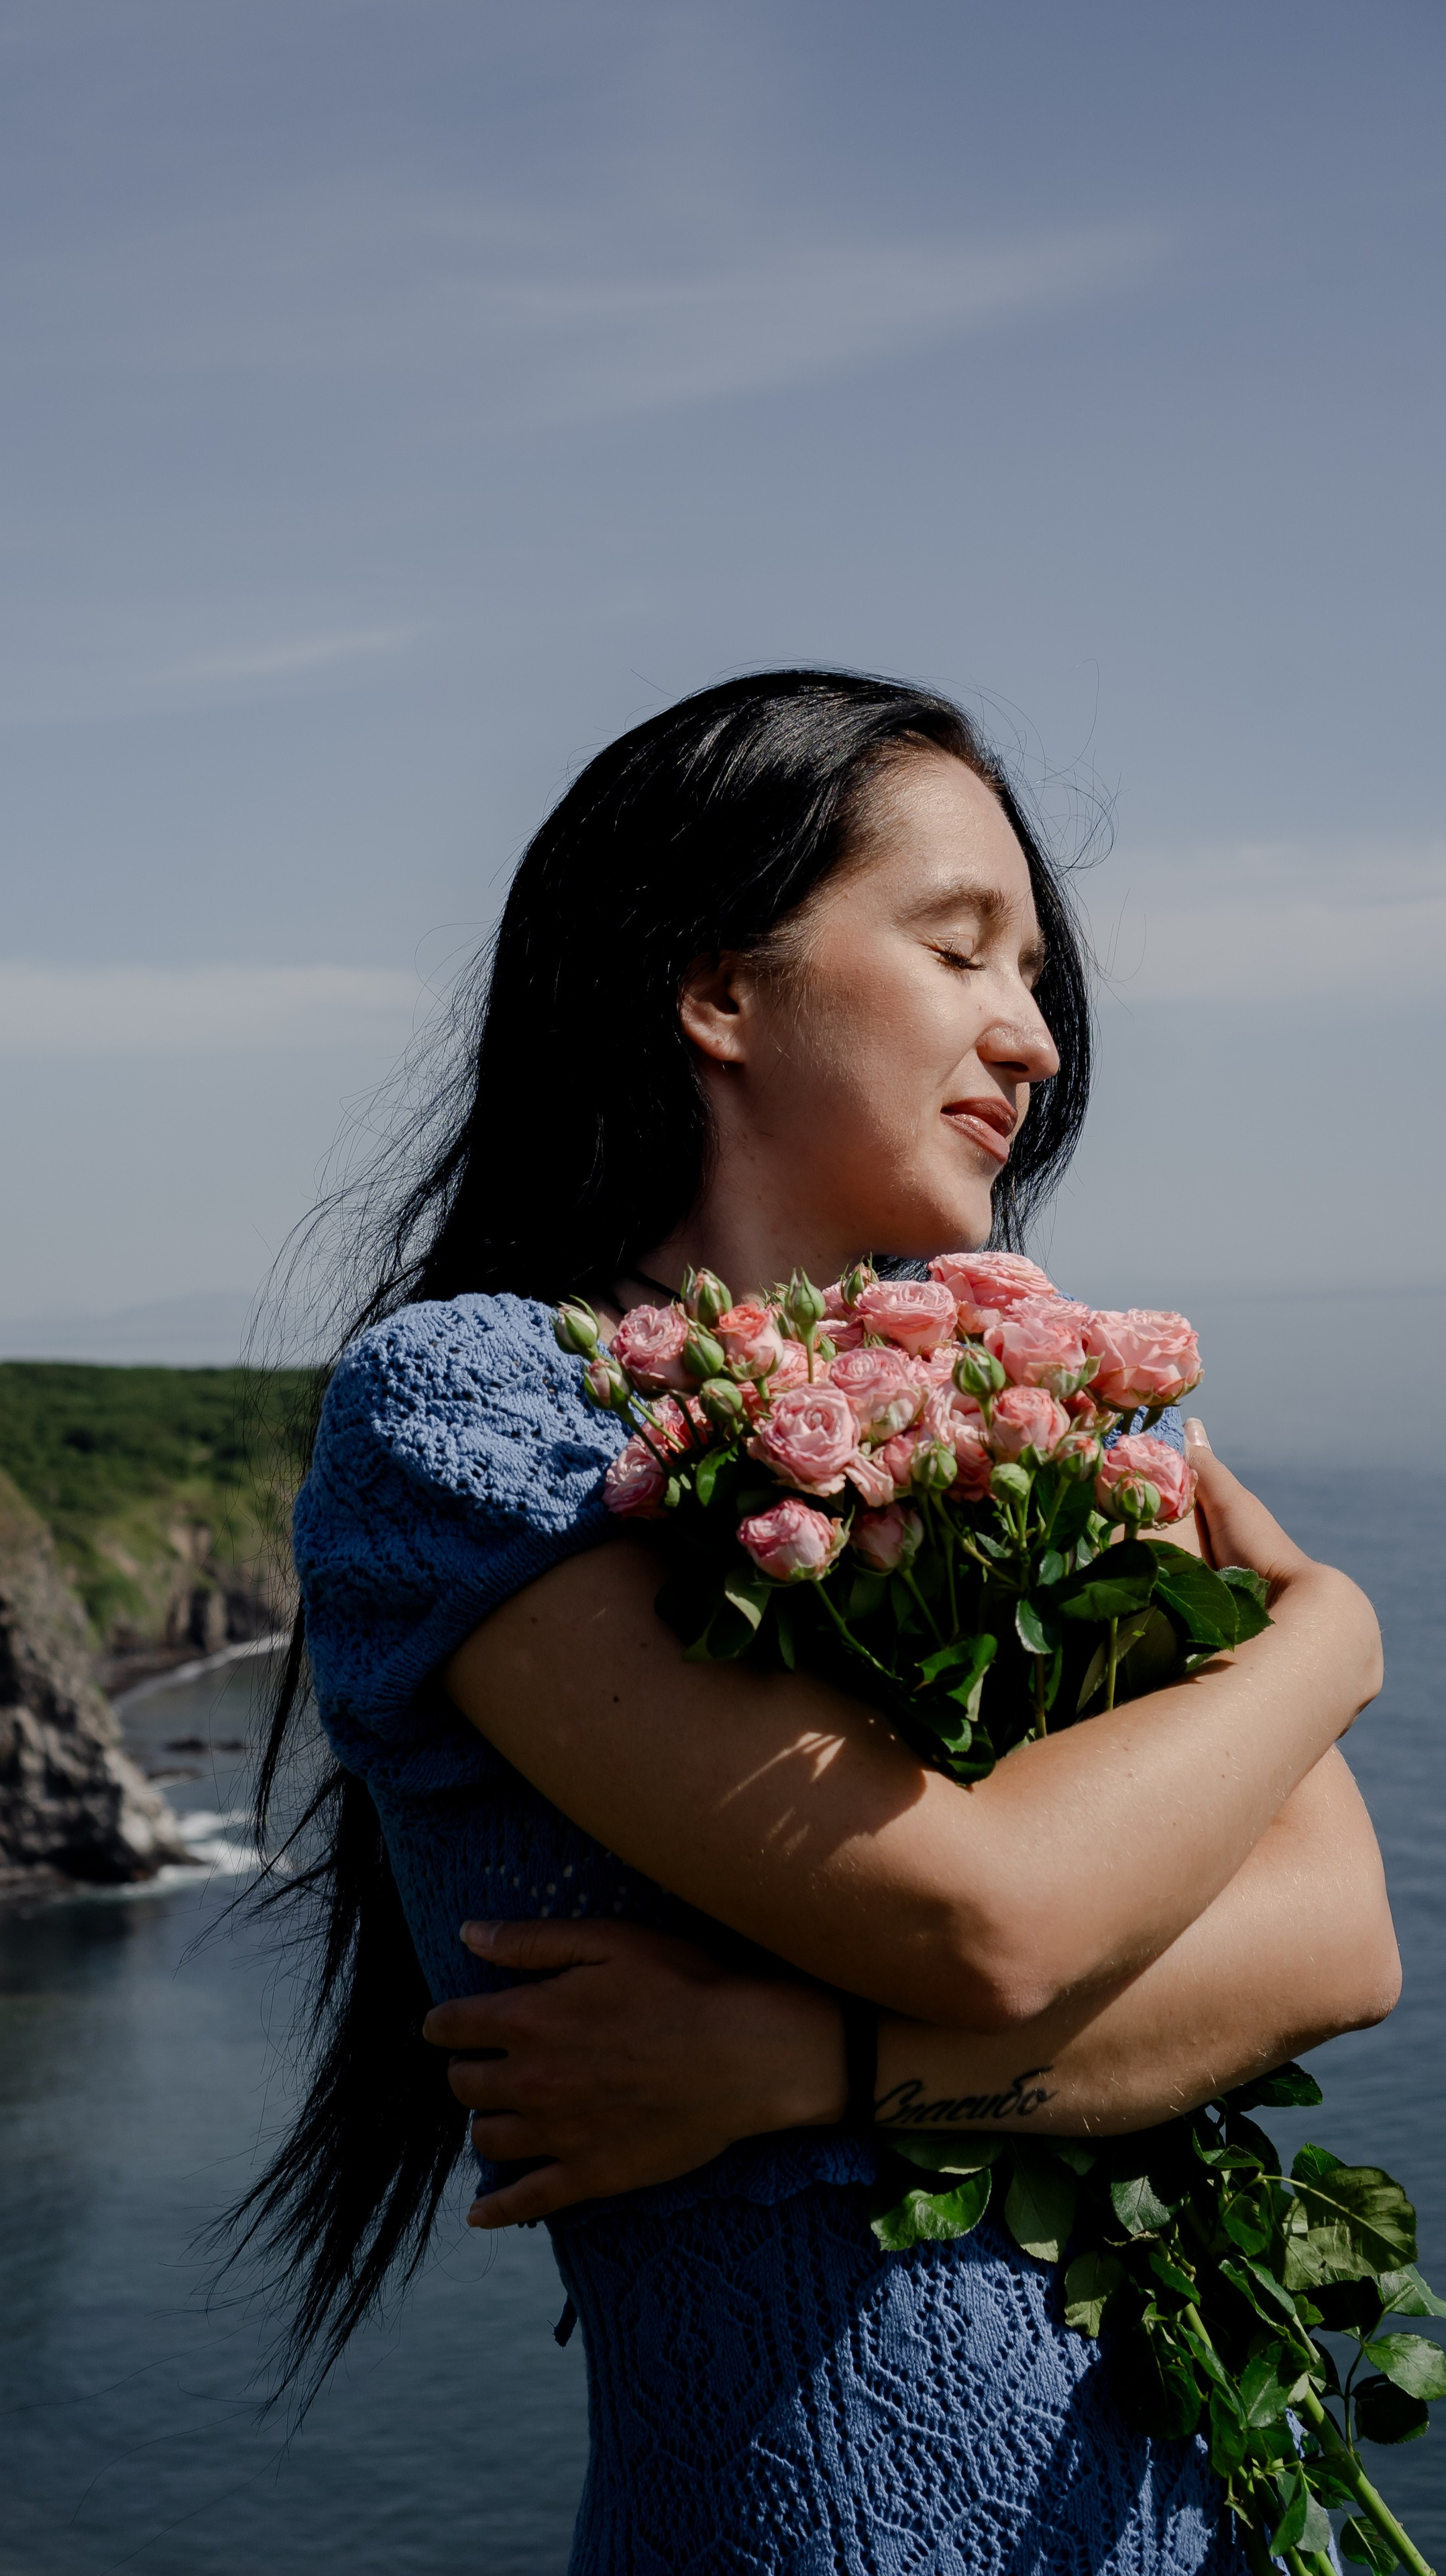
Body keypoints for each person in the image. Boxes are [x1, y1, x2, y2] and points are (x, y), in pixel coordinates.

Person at [255, 670, 1394, 2574]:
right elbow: (988, 1918)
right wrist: (1333, 1639)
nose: (1031, 1038)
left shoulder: (1071, 1420)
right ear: (719, 992)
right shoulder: (485, 1416)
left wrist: (810, 2071)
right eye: (962, 950)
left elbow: (1338, 1941)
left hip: (1177, 2519)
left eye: (1039, 978)